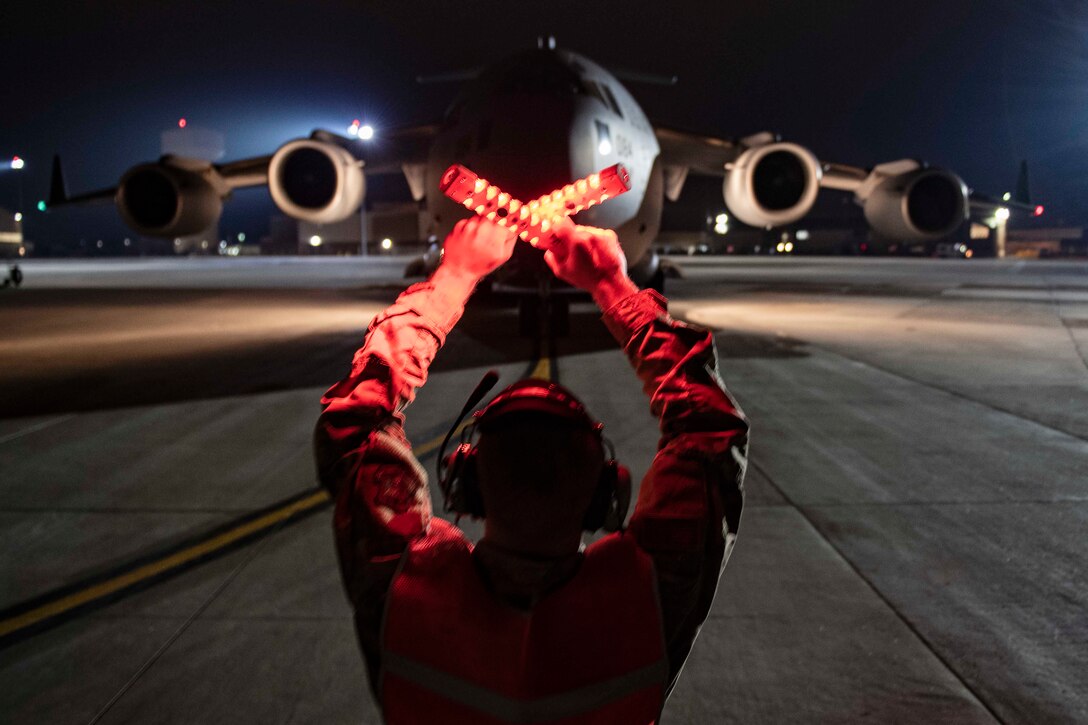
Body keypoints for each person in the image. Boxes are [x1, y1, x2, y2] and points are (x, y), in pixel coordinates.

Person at [315, 216, 749, 724]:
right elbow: (710, 432)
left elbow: (354, 420)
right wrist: (612, 284)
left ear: (464, 481)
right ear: (608, 492)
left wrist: (454, 276)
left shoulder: (405, 588)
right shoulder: (645, 597)